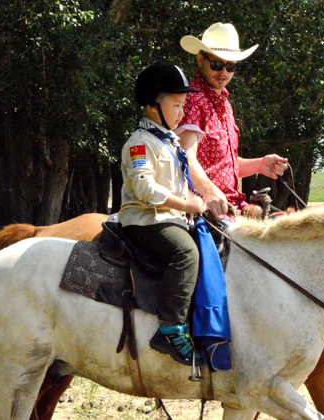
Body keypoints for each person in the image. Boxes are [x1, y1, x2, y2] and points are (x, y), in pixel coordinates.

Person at [119, 62, 205, 366]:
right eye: (176, 104)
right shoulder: (140, 144)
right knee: (186, 253)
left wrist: (195, 200)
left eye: (183, 105)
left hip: (168, 218)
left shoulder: (166, 142)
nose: (182, 112)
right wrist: (187, 206)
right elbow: (145, 190)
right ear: (154, 106)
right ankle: (170, 328)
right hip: (145, 221)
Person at [176, 22, 289, 219]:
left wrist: (260, 165)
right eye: (217, 64)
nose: (224, 72)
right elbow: (186, 157)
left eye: (231, 66)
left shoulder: (225, 105)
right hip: (204, 209)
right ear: (200, 59)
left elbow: (222, 165)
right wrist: (210, 192)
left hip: (231, 207)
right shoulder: (193, 100)